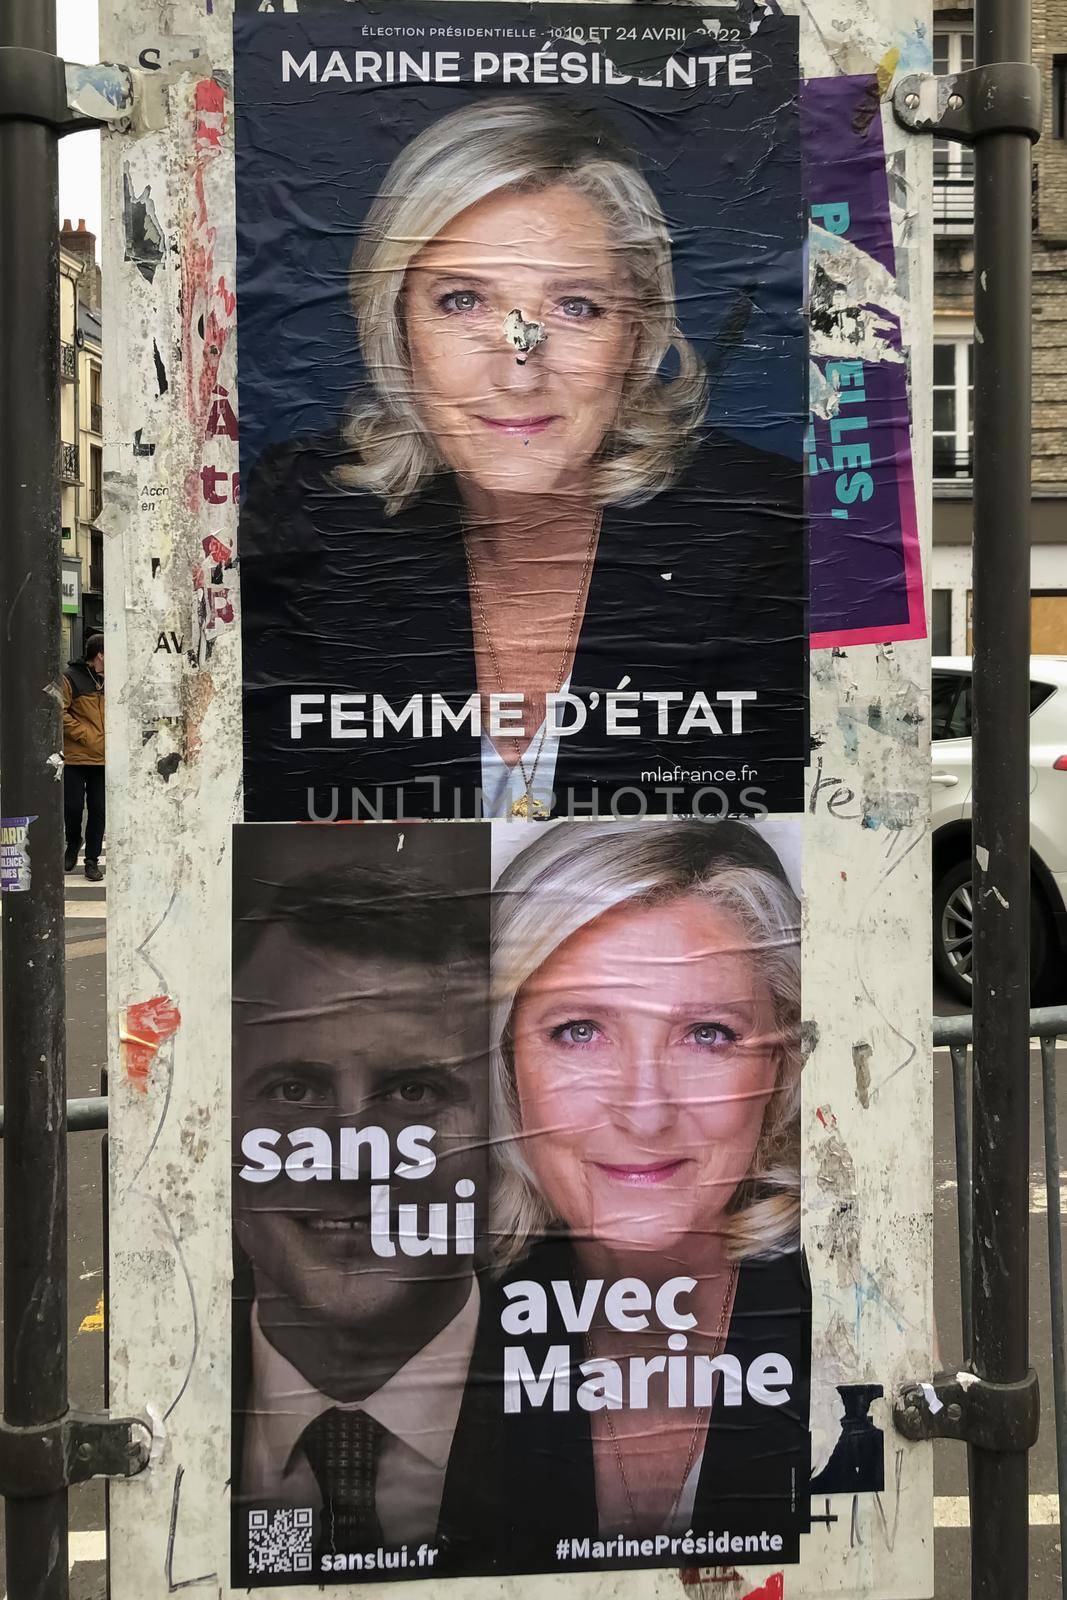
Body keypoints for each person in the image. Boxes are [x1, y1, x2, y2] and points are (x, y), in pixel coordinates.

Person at [240, 98, 805, 822]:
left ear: (637, 333)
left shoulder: (772, 527)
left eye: (575, 306)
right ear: (396, 325)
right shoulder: (304, 514)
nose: (517, 373)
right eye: (462, 300)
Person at [488, 820, 810, 1564]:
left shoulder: (851, 1319)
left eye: (706, 1034)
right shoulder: (442, 1328)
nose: (643, 1111)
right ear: (507, 1065)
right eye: (577, 1032)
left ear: (780, 1065)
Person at [230, 840, 499, 1582]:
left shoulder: (618, 1400)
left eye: (413, 1092)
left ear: (503, 1131)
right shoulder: (166, 1371)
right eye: (293, 1091)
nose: (353, 1158)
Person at [62, 632, 105, 880]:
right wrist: (85, 734)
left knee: (99, 810)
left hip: (103, 759)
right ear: (100, 654)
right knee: (74, 807)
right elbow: (59, 711)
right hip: (76, 757)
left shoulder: (111, 678)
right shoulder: (70, 678)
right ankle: (73, 841)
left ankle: (92, 860)